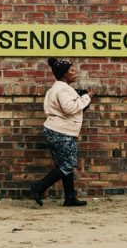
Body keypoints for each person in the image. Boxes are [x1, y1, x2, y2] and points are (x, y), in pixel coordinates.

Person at [29, 58, 92, 207]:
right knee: (67, 164)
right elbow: (70, 108)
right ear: (64, 74)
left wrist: (80, 98)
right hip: (61, 132)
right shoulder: (63, 89)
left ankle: (70, 198)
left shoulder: (55, 88)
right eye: (71, 70)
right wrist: (87, 97)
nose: (74, 72)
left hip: (55, 130)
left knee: (63, 164)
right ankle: (38, 187)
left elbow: (71, 108)